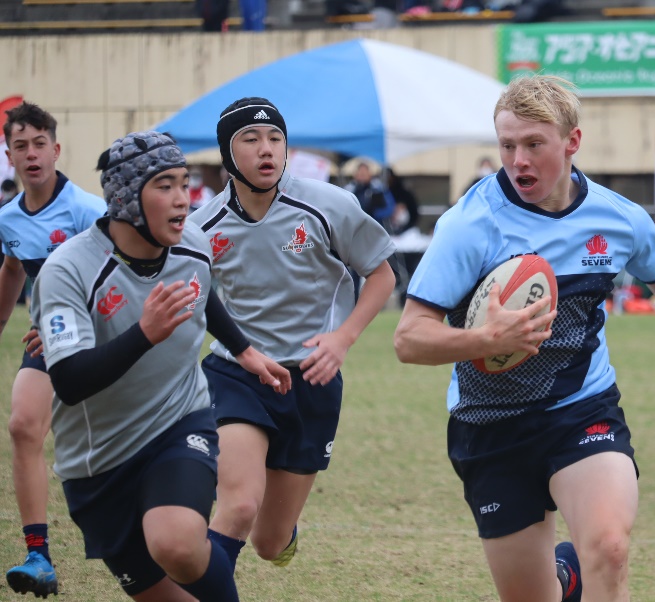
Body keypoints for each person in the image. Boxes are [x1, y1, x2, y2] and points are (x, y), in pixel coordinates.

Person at [393, 75, 655, 602]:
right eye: (507, 145)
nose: (519, 161)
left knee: (609, 549)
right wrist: (485, 339)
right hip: (490, 426)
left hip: (582, 409)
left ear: (572, 141)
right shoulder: (470, 223)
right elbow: (409, 339)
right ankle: (564, 578)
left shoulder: (617, 217)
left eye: (534, 144)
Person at [30, 130, 289, 601]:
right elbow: (68, 381)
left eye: (184, 183)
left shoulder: (193, 244)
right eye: (164, 186)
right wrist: (144, 334)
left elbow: (202, 292)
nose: (182, 199)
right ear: (126, 199)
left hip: (178, 422)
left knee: (177, 543)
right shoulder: (68, 271)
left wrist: (245, 351)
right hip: (97, 461)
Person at [188, 97, 396, 575]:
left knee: (269, 542)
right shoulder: (202, 227)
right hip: (237, 375)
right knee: (239, 506)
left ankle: (282, 530)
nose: (267, 149)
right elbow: (183, 295)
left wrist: (342, 338)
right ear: (227, 153)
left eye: (275, 138)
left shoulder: (328, 204)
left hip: (311, 382)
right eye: (251, 139)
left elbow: (382, 274)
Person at [0, 101, 107, 598]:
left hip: (107, 333)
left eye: (39, 144)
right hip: (48, 338)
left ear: (56, 149)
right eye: (20, 146)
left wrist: (74, 323)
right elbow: (12, 268)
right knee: (24, 426)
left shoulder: (88, 211)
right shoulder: (9, 219)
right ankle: (38, 556)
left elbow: (122, 272)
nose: (31, 154)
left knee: (118, 441)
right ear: (9, 156)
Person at [345, 161, 395, 232]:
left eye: (364, 173)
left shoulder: (378, 189)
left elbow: (389, 208)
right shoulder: (349, 190)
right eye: (360, 173)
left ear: (370, 174)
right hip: (355, 228)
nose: (362, 176)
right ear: (355, 175)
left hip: (375, 227)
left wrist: (374, 212)